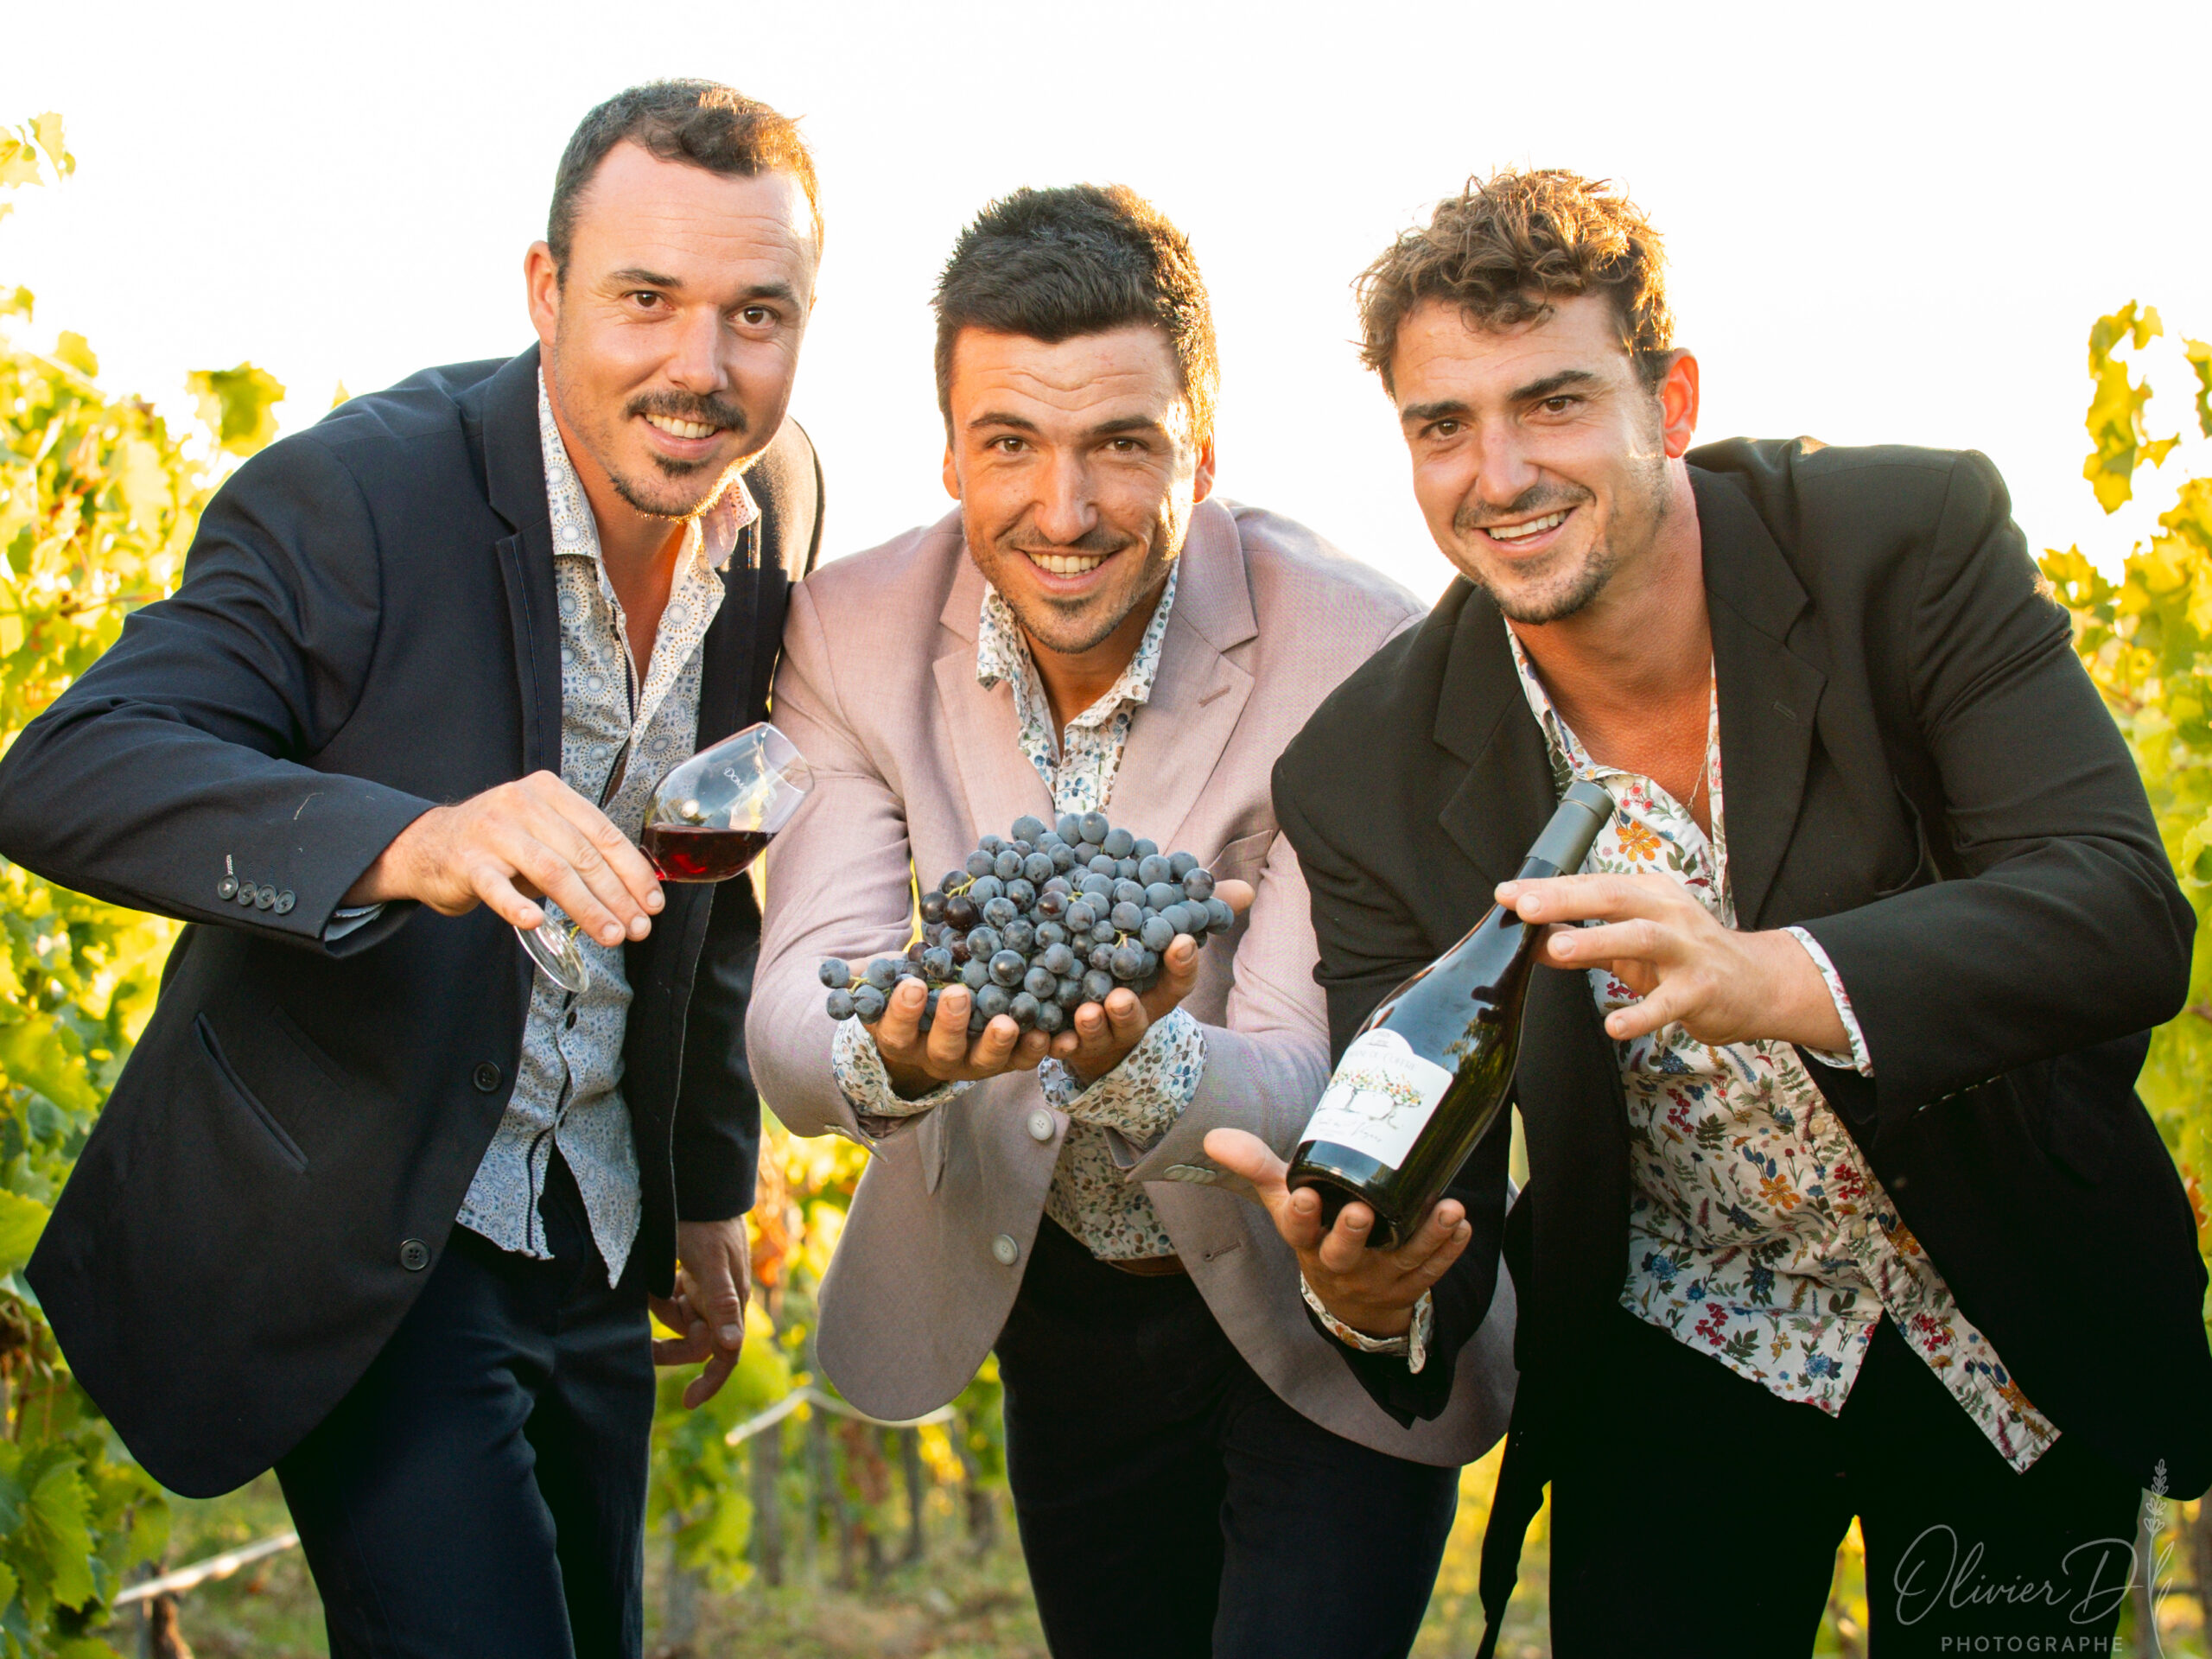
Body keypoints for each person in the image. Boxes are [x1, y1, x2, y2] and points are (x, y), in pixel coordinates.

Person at [1216, 168, 2212, 1658]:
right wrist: (1368, 1283)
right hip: (1681, 1340)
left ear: (1670, 402)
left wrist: (1773, 976)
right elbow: (1429, 1159)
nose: (1498, 474)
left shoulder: (1905, 541)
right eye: (1443, 426)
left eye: (1554, 403)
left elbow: (2119, 910)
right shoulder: (1362, 771)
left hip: (2005, 1305)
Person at [0, 80, 825, 1658]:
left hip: (595, 1221)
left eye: (757, 315)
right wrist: (408, 839)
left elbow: (713, 885)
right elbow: (68, 767)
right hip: (373, 1221)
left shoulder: (776, 498)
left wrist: (709, 1185)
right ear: (546, 290)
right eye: (646, 299)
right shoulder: (359, 499)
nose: (701, 367)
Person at [746, 183, 1515, 1659]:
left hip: (1312, 1302)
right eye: (1008, 445)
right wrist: (899, 1050)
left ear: (1202, 451)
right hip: (1062, 1309)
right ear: (949, 451)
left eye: (1122, 443)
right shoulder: (849, 633)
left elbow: (1309, 1072)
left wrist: (1137, 1060)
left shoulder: (1359, 651)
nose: (1065, 510)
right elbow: (796, 1015)